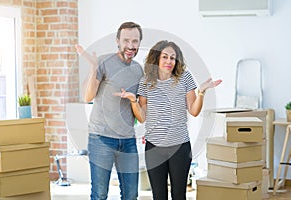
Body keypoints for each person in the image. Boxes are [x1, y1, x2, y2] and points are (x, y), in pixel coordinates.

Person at [114, 40, 222, 200]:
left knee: (179, 195)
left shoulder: (185, 78)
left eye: (173, 58)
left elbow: (194, 111)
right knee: (159, 196)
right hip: (154, 148)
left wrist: (201, 93)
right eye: (165, 57)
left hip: (180, 147)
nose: (169, 61)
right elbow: (142, 117)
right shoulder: (146, 81)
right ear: (157, 58)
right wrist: (132, 101)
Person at [76, 21, 144, 200]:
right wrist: (93, 67)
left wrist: (132, 100)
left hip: (128, 141)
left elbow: (141, 113)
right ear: (117, 41)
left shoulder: (138, 70)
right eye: (126, 40)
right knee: (99, 194)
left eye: (135, 41)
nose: (130, 45)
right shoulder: (103, 62)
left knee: (131, 195)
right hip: (101, 139)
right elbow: (88, 97)